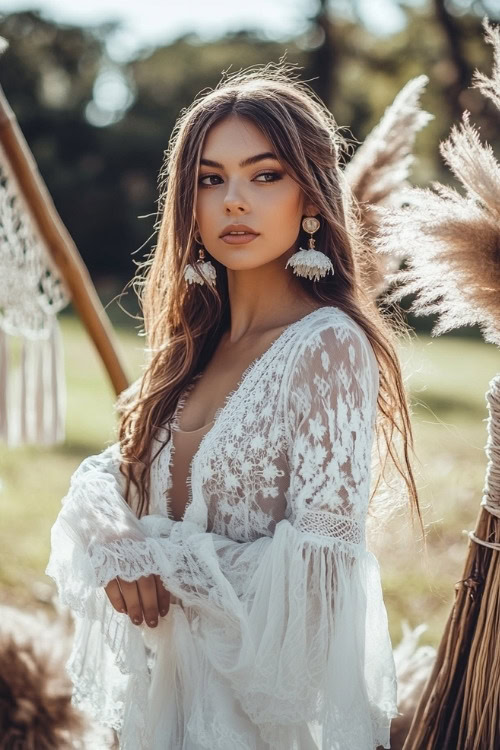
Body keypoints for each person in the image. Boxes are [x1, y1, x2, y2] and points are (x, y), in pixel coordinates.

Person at [46, 63, 422, 750]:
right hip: (158, 717)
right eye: (210, 180)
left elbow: (318, 587)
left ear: (309, 195)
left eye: (265, 174)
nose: (234, 202)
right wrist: (108, 530)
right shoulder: (193, 345)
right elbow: (115, 472)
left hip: (255, 729)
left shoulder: (329, 348)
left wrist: (157, 555)